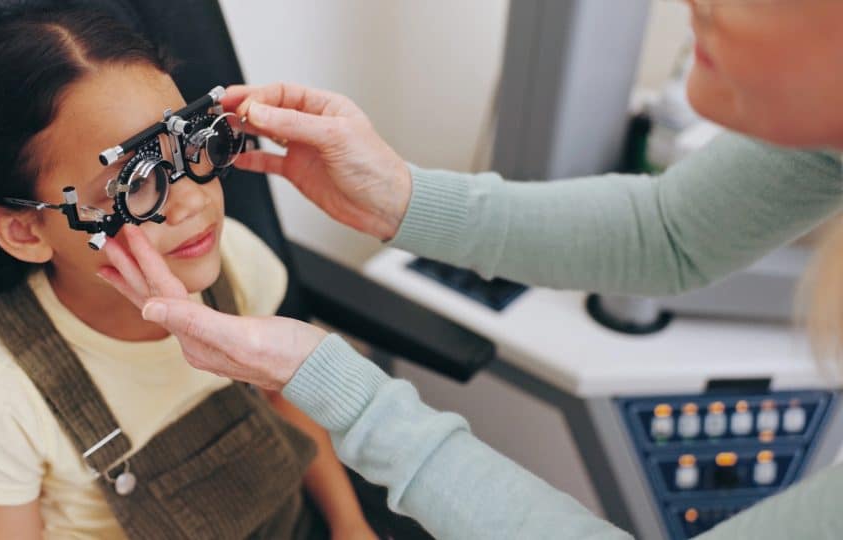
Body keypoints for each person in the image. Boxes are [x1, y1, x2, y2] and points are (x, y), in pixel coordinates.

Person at [97, 0, 843, 538]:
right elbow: (673, 232)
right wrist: (402, 199)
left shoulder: (249, 270)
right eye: (136, 181)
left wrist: (344, 397)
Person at [0, 10, 376, 540]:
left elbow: (282, 401)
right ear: (25, 231)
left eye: (192, 148)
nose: (192, 202)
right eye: (136, 184)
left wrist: (350, 524)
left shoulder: (233, 263)